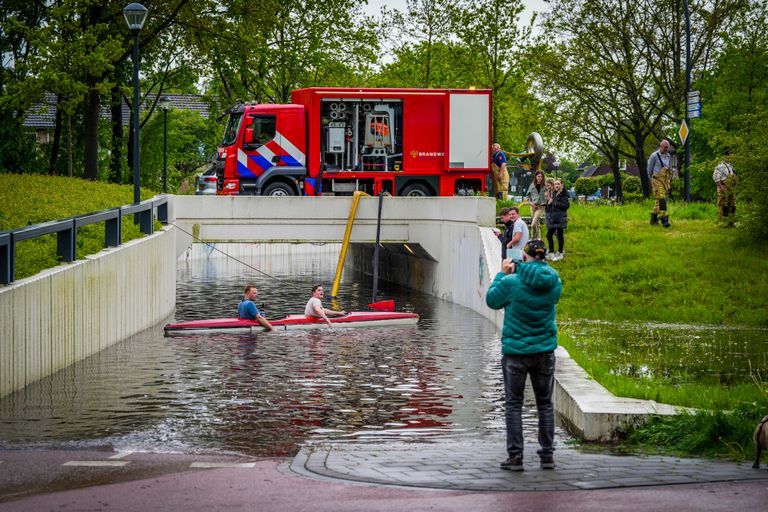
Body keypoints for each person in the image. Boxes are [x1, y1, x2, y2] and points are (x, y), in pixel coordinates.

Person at [485, 239, 563, 471]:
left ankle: (516, 457)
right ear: (544, 258)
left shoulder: (511, 282)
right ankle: (547, 456)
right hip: (545, 350)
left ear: (525, 257)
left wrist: (501, 274)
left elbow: (492, 301)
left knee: (514, 404)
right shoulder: (554, 281)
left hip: (516, 353)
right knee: (545, 405)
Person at [648, 139, 673, 228]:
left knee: (659, 200)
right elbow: (649, 170)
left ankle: (653, 220)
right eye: (665, 147)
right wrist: (652, 180)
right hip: (656, 180)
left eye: (668, 148)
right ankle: (664, 220)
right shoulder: (654, 156)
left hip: (665, 180)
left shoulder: (668, 156)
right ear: (661, 146)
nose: (666, 149)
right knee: (662, 198)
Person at [545, 179, 569, 261]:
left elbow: (566, 206)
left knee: (559, 235)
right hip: (554, 218)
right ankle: (551, 253)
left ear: (562, 185)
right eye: (555, 184)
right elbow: (551, 204)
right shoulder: (554, 193)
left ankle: (560, 253)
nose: (556, 186)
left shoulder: (564, 194)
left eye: (558, 184)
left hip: (560, 218)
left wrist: (554, 203)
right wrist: (549, 202)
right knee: (548, 235)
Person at [712, 156, 737, 224]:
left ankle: (730, 222)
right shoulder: (720, 166)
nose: (731, 158)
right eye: (730, 156)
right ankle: (721, 222)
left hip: (731, 187)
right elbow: (716, 178)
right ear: (726, 157)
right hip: (723, 186)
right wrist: (721, 187)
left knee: (732, 204)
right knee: (722, 204)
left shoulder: (731, 166)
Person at [526, 170, 547, 240]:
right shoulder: (532, 185)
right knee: (536, 224)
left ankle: (533, 238)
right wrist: (531, 203)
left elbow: (549, 195)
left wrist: (545, 202)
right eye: (538, 176)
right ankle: (538, 239)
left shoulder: (545, 186)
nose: (540, 178)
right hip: (533, 206)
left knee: (533, 224)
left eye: (541, 176)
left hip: (541, 207)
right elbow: (528, 196)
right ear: (535, 177)